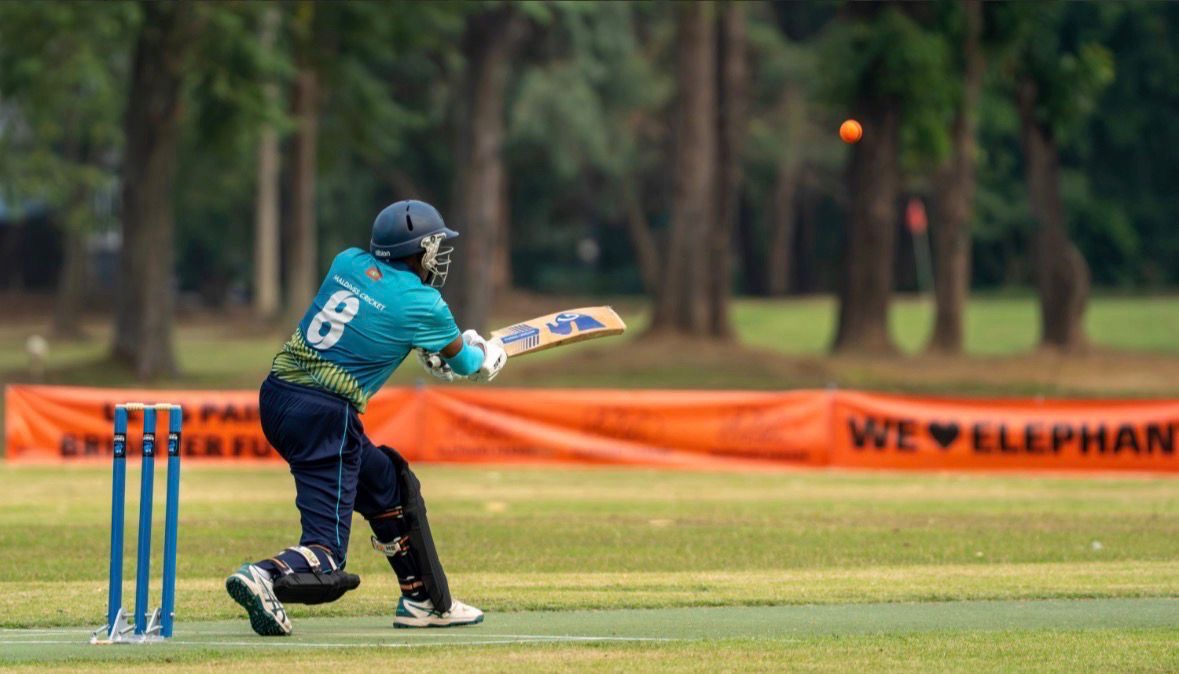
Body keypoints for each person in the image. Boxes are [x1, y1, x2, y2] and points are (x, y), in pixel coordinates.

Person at [225, 200, 507, 636]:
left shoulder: (347, 262)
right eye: (435, 246)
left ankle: (423, 600)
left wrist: (434, 350)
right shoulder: (424, 303)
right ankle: (264, 575)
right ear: (420, 250)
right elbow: (468, 363)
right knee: (326, 554)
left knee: (387, 482)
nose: (438, 256)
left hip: (277, 396)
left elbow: (374, 326)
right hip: (324, 416)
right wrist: (485, 355)